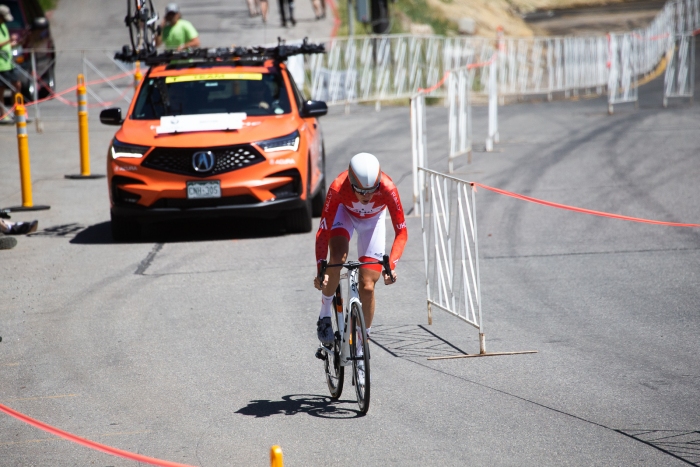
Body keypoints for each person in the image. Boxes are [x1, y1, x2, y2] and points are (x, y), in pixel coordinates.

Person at [313, 153, 407, 349]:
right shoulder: (338, 187)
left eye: (372, 190)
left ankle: (362, 342)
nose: (367, 196)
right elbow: (323, 232)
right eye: (361, 191)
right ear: (351, 183)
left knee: (368, 286)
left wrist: (390, 267)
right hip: (344, 213)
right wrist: (321, 269)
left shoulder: (388, 188)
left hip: (373, 222)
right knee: (337, 259)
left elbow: (402, 232)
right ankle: (324, 316)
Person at [0, 5, 20, 124]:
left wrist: (15, 43)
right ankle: (3, 114)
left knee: (17, 85)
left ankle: (16, 110)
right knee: (1, 90)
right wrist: (9, 41)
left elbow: (6, 45)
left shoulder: (3, 26)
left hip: (9, 62)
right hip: (1, 65)